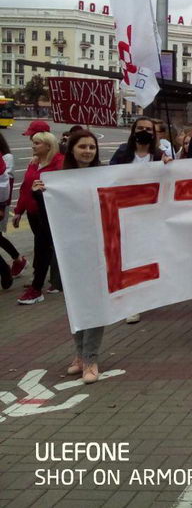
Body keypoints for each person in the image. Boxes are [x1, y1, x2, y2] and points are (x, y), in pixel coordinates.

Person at [109, 117, 170, 323]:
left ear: (155, 134)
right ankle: (132, 303)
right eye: (140, 128)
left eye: (149, 129)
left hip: (151, 214)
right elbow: (108, 177)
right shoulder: (122, 153)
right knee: (129, 257)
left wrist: (169, 166)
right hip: (127, 213)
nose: (144, 132)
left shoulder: (160, 155)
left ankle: (147, 295)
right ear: (133, 130)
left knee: (148, 255)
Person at [57, 130, 106, 383]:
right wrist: (39, 192)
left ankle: (90, 358)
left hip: (97, 249)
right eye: (82, 146)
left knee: (94, 305)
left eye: (92, 147)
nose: (88, 151)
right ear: (72, 149)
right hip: (69, 251)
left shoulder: (104, 176)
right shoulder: (59, 180)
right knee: (75, 303)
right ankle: (78, 354)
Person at [14, 131, 64, 304]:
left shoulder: (59, 162)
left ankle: (40, 286)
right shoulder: (34, 163)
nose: (33, 146)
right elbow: (25, 188)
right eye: (33, 143)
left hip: (51, 214)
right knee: (42, 248)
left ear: (48, 146)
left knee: (45, 248)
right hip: (34, 214)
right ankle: (42, 283)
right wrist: (19, 210)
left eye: (37, 143)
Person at [0, 132, 27, 286]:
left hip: (1, 202)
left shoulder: (6, 157)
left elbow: (7, 182)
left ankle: (8, 269)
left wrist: (3, 206)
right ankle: (17, 260)